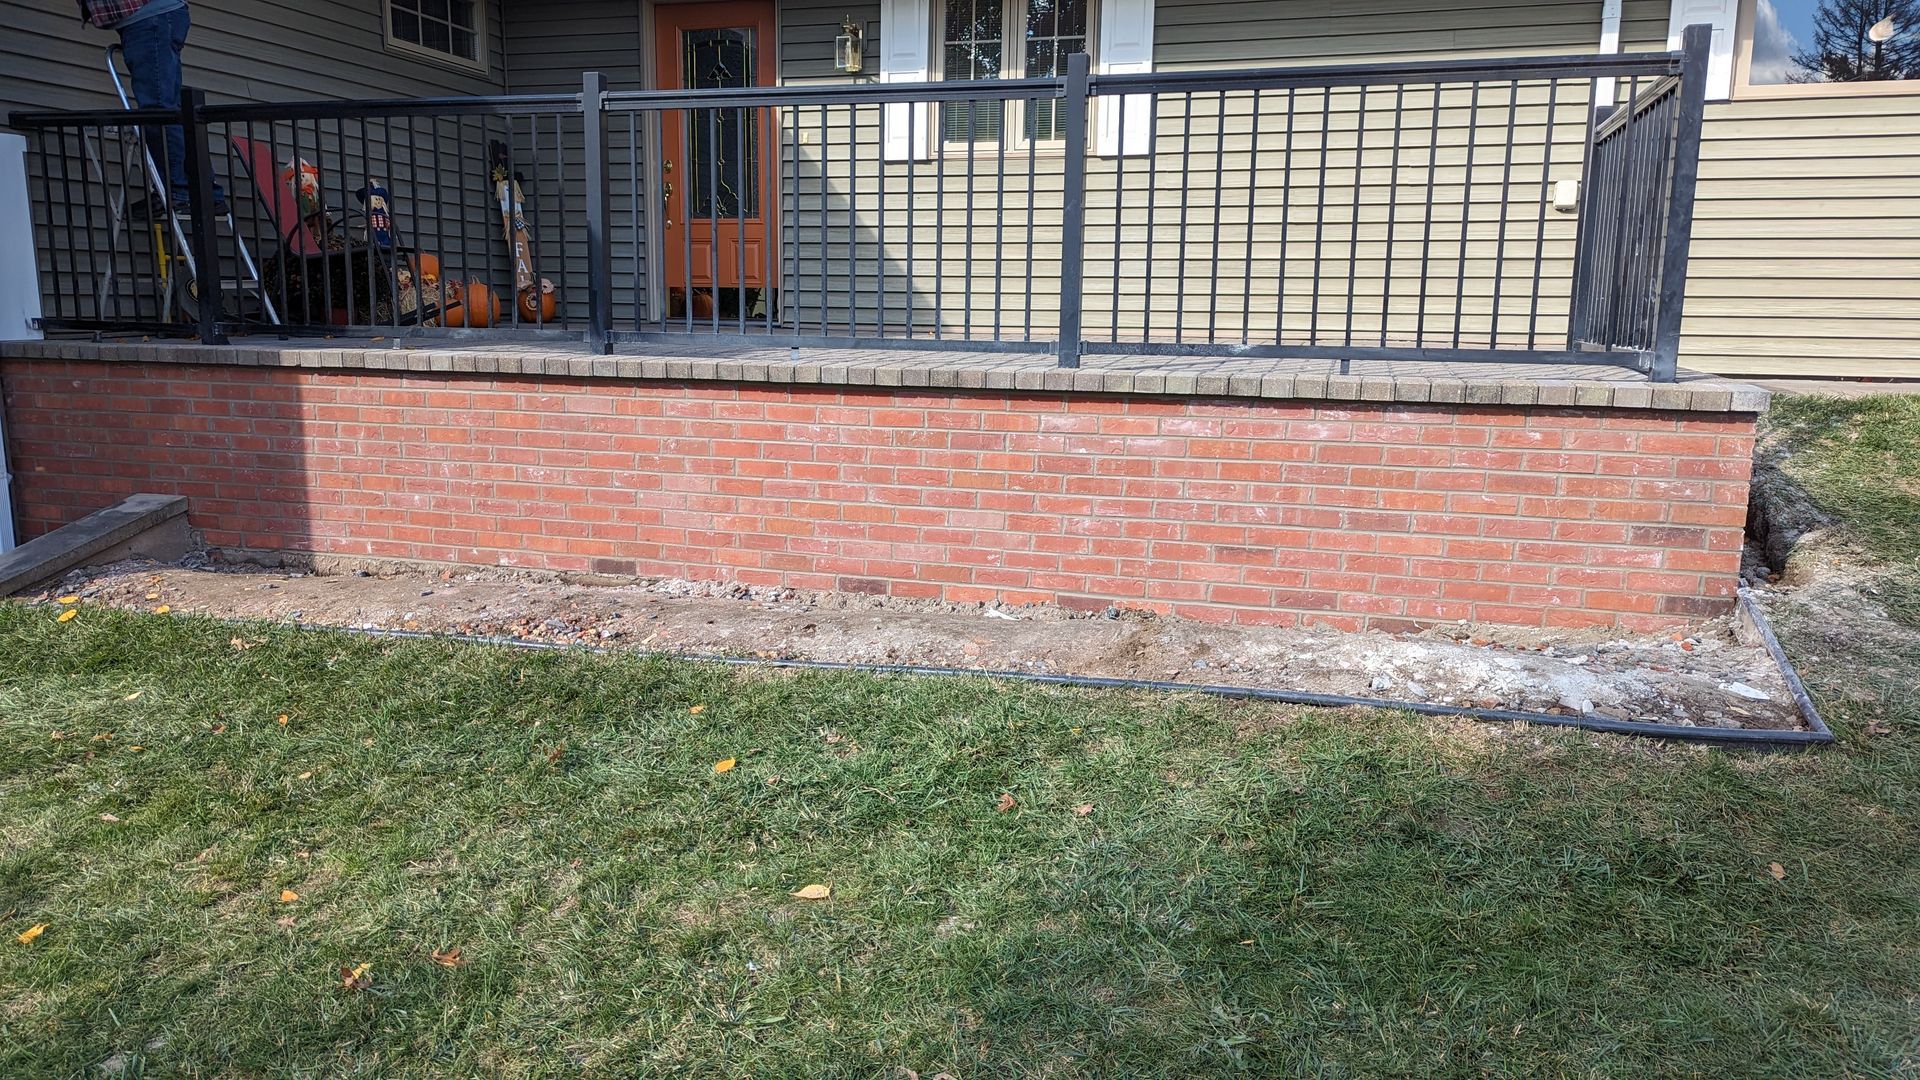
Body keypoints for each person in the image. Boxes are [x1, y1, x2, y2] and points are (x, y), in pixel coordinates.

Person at [78, 0, 226, 217]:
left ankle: (180, 191)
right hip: (153, 17)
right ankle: (200, 192)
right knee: (168, 111)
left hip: (151, 18)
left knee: (158, 112)